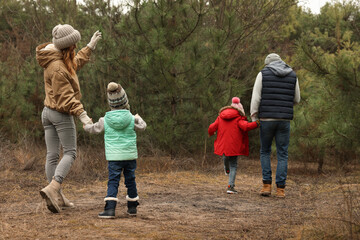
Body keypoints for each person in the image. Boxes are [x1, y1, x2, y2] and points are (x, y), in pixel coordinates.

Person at [36, 24, 102, 213]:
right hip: (59, 113)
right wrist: (83, 115)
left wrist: (89, 47)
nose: (75, 47)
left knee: (52, 156)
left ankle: (56, 196)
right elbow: (66, 97)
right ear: (66, 46)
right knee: (71, 152)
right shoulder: (57, 67)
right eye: (74, 44)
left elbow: (73, 64)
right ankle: (53, 188)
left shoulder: (56, 57)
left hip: (47, 112)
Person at [84, 82, 146, 218]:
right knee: (131, 180)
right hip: (129, 157)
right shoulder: (131, 118)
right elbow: (143, 126)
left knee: (113, 181)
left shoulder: (105, 119)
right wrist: (138, 116)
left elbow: (93, 129)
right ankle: (132, 207)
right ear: (125, 101)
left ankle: (110, 209)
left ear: (110, 103)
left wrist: (86, 124)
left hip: (114, 158)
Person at [250, 53, 300, 198]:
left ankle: (266, 186)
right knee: (282, 153)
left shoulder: (263, 74)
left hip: (266, 119)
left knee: (265, 151)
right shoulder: (292, 74)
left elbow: (256, 97)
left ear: (267, 64)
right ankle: (281, 190)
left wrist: (254, 116)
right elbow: (297, 98)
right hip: (284, 120)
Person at [208, 97, 259, 194]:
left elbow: (211, 127)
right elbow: (246, 126)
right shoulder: (238, 118)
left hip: (223, 145)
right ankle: (230, 187)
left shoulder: (220, 117)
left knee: (225, 155)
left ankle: (226, 168)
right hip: (234, 146)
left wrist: (212, 132)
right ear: (240, 110)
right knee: (233, 165)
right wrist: (257, 123)